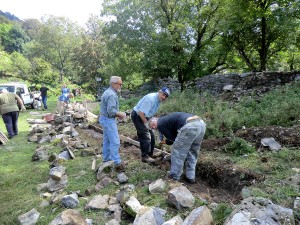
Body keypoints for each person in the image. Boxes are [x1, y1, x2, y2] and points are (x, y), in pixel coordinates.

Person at [149, 112, 206, 183]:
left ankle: (174, 176)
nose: (154, 128)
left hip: (190, 126)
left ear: (156, 120)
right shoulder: (166, 119)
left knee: (177, 151)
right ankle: (190, 176)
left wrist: (165, 142)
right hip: (201, 123)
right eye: (152, 128)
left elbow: (173, 139)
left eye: (153, 125)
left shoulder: (160, 124)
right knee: (192, 151)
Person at [131, 87, 170, 163]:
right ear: (159, 92)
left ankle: (150, 154)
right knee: (146, 135)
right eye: (163, 95)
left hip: (145, 116)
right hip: (138, 116)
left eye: (166, 96)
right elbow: (140, 112)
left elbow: (150, 112)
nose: (164, 97)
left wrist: (151, 122)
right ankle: (144, 157)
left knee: (152, 135)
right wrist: (146, 123)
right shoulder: (151, 99)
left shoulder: (158, 100)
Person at [99, 76, 126, 172]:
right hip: (108, 120)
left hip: (103, 118)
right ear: (114, 84)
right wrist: (121, 114)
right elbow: (111, 111)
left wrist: (117, 114)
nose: (121, 86)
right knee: (115, 142)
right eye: (120, 84)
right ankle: (117, 163)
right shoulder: (111, 95)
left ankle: (106, 159)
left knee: (107, 140)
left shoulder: (108, 92)